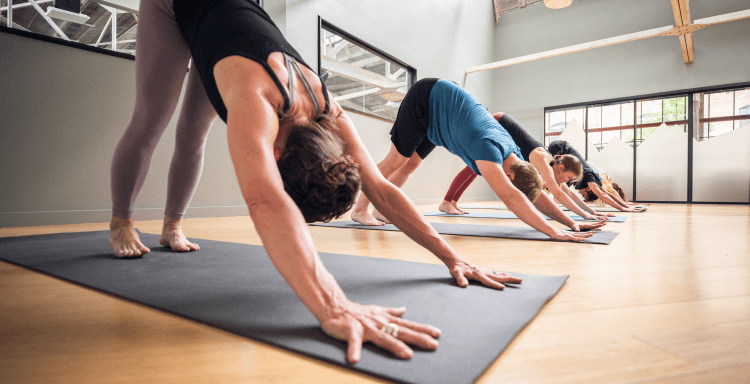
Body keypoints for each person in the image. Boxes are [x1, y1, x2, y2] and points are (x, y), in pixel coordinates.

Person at [108, 0, 524, 363]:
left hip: (226, 19)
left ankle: (171, 227)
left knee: (192, 135)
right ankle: (121, 220)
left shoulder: (328, 107)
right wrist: (333, 307)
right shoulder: (255, 100)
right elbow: (265, 201)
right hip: (175, 5)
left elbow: (380, 188)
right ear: (275, 154)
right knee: (151, 121)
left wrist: (451, 256)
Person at [349, 78, 599, 239]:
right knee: (396, 161)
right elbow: (512, 198)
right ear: (509, 176)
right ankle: (360, 210)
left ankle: (382, 210)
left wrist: (570, 223)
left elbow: (536, 194)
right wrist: (553, 233)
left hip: (441, 115)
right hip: (426, 100)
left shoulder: (516, 157)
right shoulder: (489, 151)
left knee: (411, 163)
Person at [438, 113, 610, 231]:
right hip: (499, 122)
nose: (567, 182)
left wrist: (590, 213)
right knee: (474, 166)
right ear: (561, 167)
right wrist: (584, 216)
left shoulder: (549, 164)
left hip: (502, 125)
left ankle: (450, 202)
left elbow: (564, 192)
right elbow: (558, 192)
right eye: (569, 177)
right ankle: (447, 202)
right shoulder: (543, 161)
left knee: (475, 168)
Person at [547, 140, 644, 213]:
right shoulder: (589, 175)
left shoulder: (595, 180)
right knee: (558, 181)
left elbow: (607, 193)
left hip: (562, 150)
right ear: (589, 187)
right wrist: (622, 207)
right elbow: (602, 195)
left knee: (561, 183)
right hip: (559, 147)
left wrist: (624, 205)